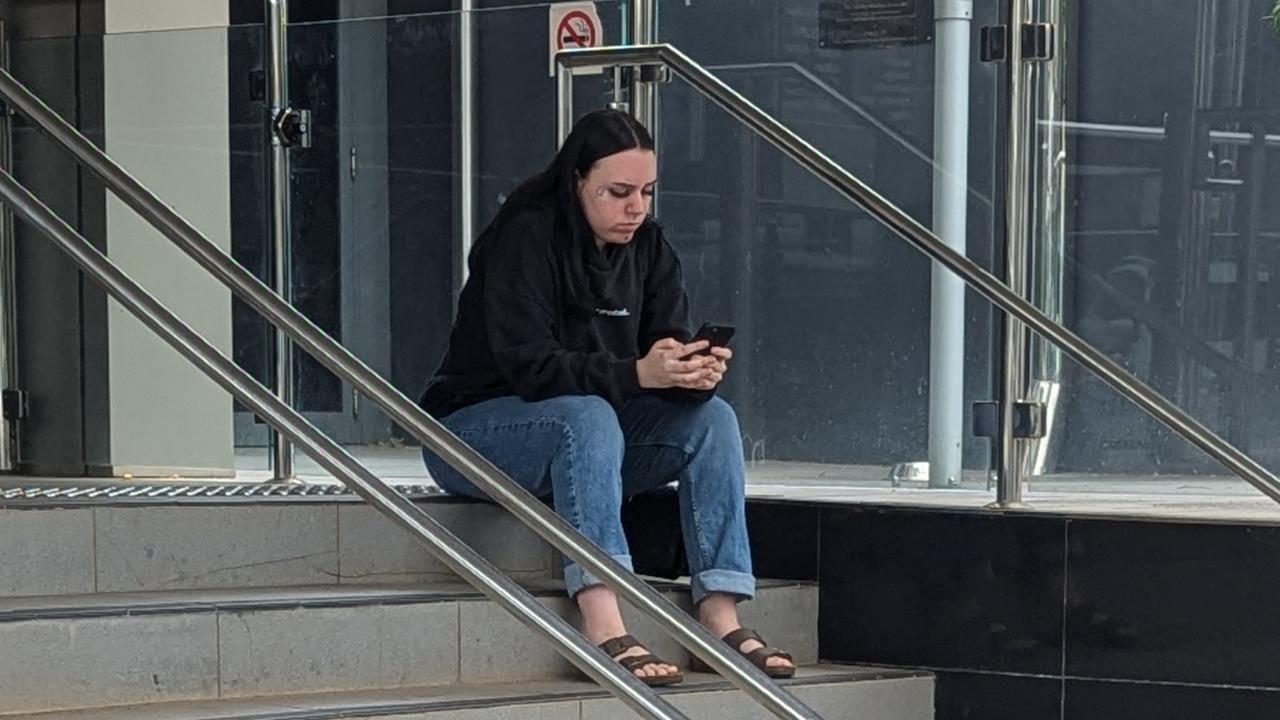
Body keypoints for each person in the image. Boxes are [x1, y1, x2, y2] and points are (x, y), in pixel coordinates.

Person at [420, 109, 793, 686]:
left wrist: (691, 373)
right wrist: (640, 375)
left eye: (646, 192)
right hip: (470, 435)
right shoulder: (524, 237)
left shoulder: (649, 247)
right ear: (577, 182)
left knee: (712, 420)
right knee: (586, 416)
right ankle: (601, 619)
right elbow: (532, 369)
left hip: (590, 435)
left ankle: (720, 612)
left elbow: (655, 353)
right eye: (618, 193)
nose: (635, 208)